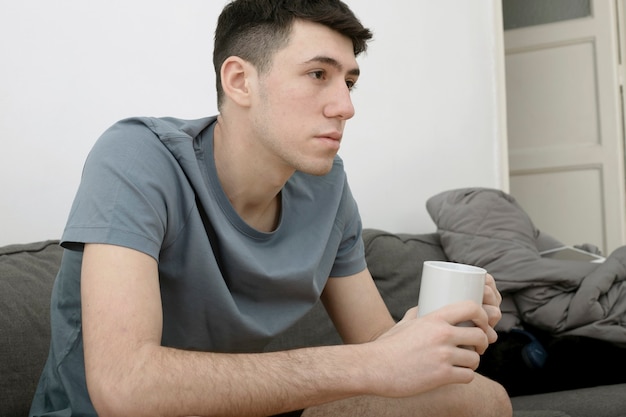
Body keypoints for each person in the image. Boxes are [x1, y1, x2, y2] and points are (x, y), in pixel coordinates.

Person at [30, 1, 512, 416]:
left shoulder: (328, 187)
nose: (345, 106)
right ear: (240, 80)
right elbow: (125, 388)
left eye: (349, 82)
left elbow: (381, 352)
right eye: (318, 74)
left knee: (485, 400)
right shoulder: (138, 156)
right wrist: (371, 365)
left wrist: (431, 335)